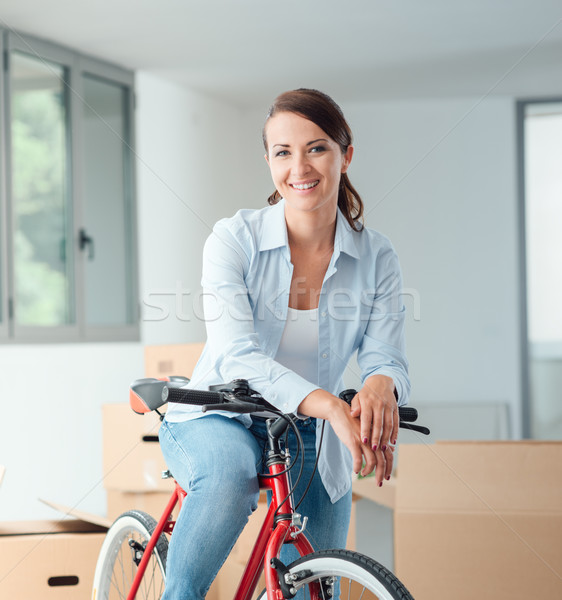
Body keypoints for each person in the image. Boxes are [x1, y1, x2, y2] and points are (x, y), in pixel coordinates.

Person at [158, 88, 410, 599]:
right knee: (228, 478)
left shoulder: (377, 256)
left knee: (313, 586)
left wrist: (382, 383)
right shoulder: (234, 239)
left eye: (317, 148)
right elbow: (238, 356)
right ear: (269, 161)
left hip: (310, 430)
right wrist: (331, 406)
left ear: (346, 155)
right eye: (283, 152)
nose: (300, 166)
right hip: (219, 414)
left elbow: (386, 354)